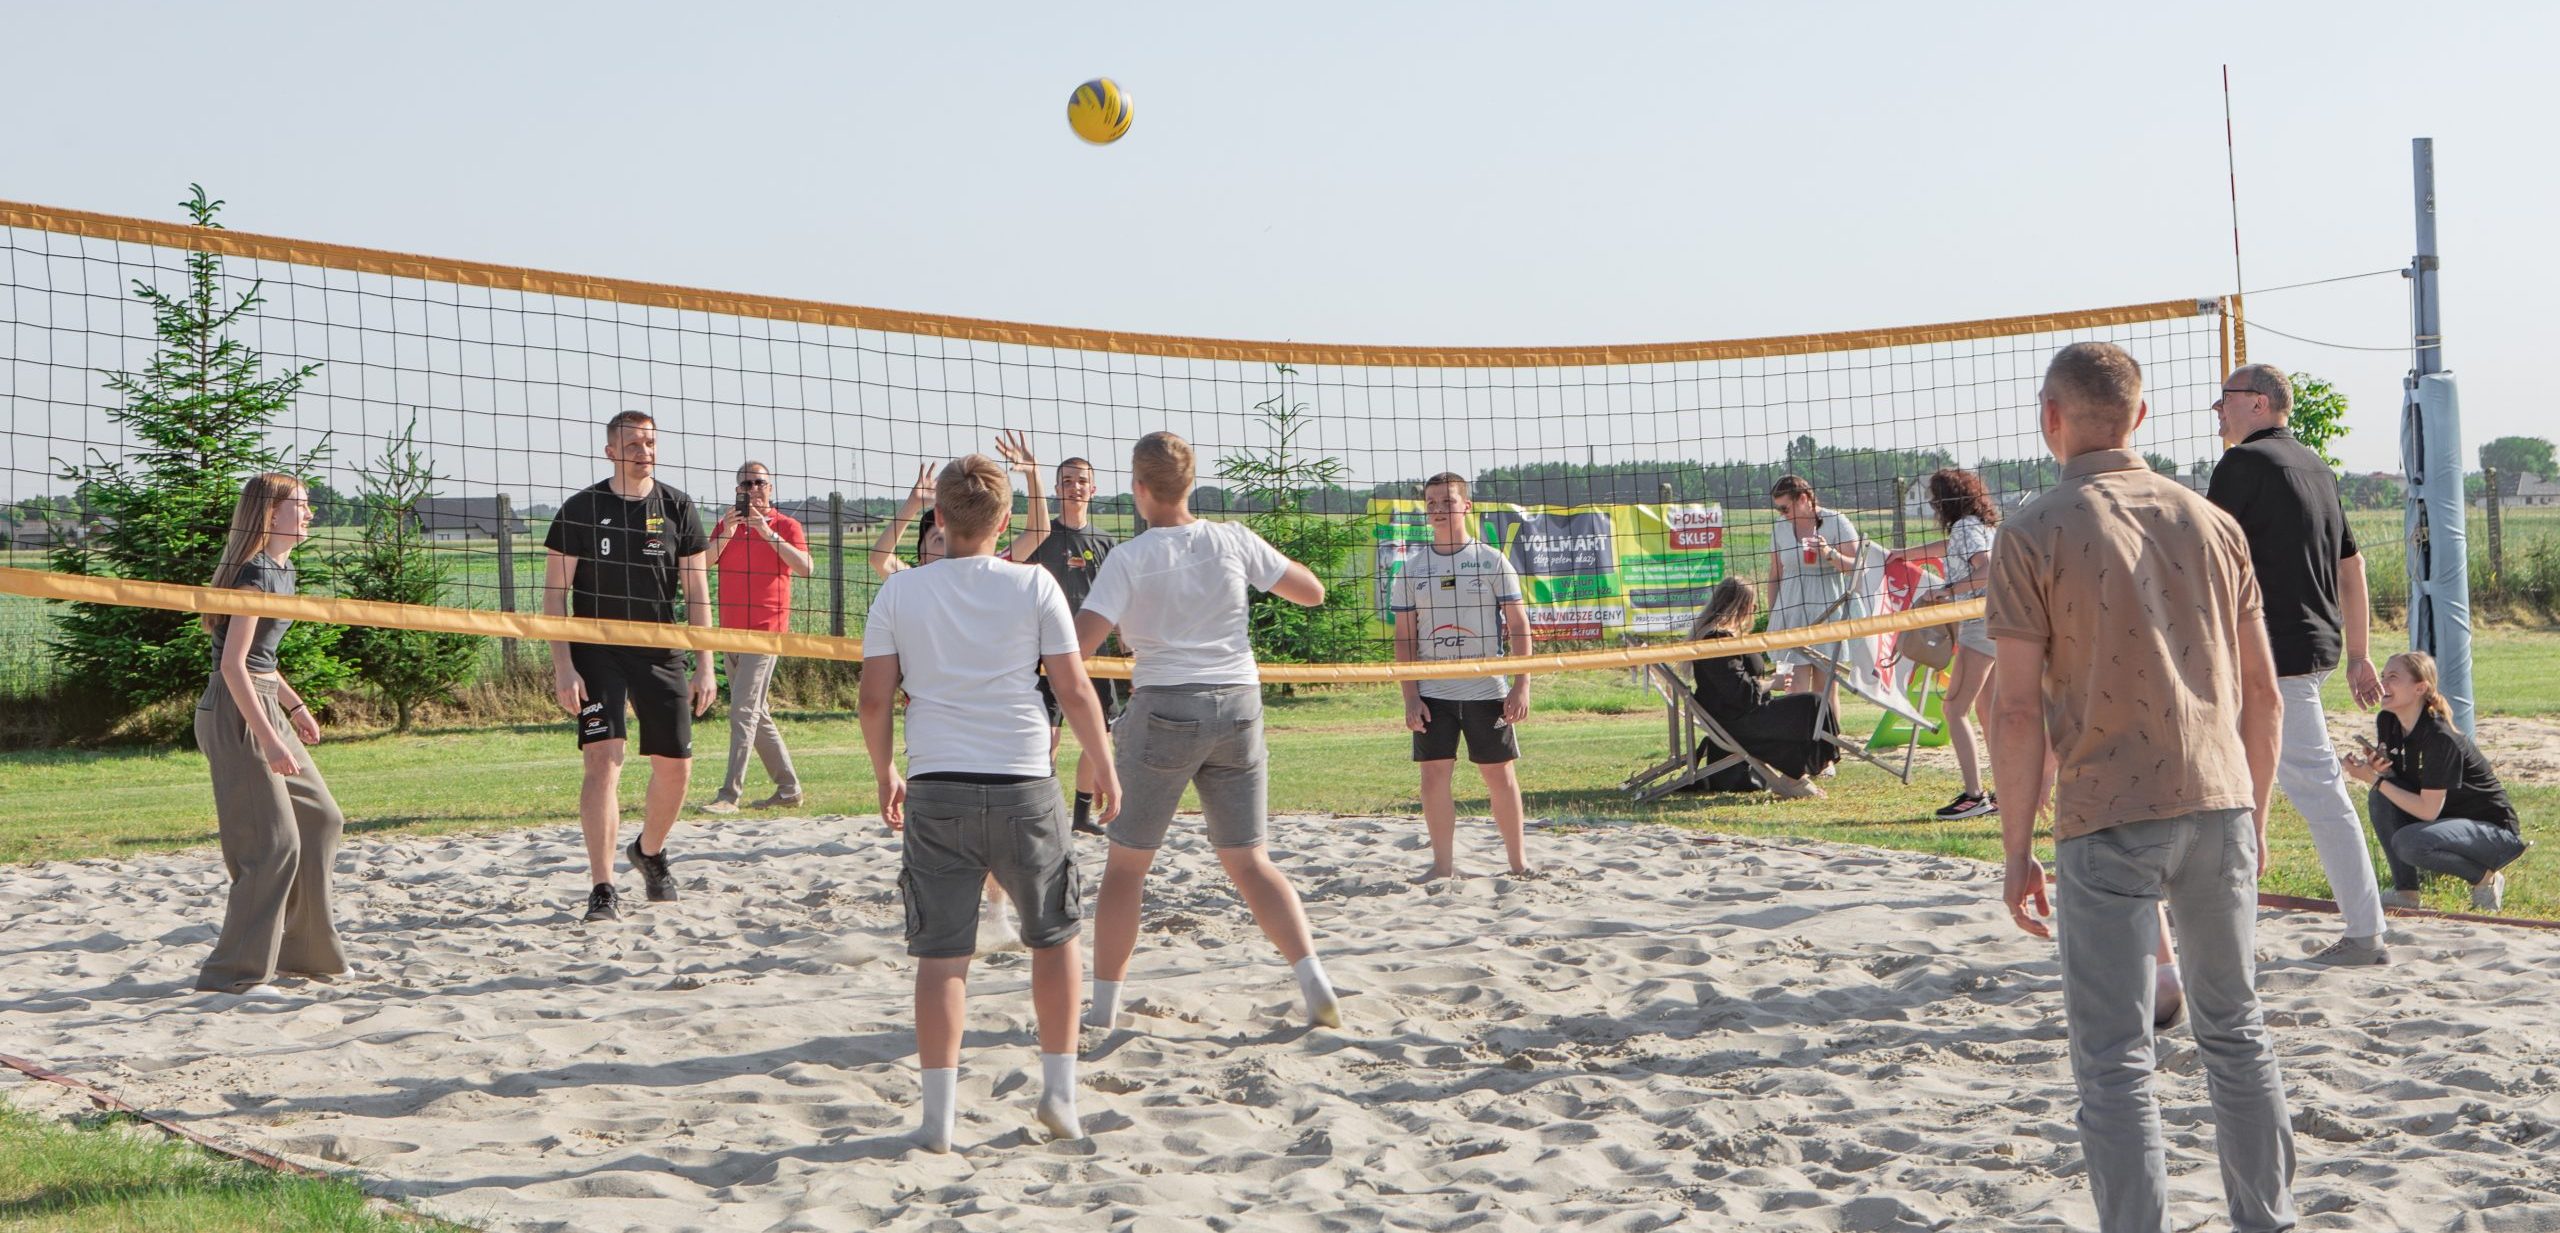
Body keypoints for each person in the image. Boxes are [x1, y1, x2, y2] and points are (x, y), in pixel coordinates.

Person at [1989, 341, 2295, 1233]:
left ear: (2049, 417)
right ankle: (2266, 1220)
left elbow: (2012, 714)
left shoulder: (2033, 529)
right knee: (2235, 1032)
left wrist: (2014, 851)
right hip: (2218, 796)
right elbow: (2264, 695)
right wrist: (2256, 813)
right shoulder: (2211, 521)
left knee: (2117, 1057)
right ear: (2142, 418)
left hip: (2105, 808)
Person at [858, 454, 1118, 1153]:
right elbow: (1074, 688)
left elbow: (875, 697)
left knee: (942, 957)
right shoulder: (1035, 583)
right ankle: (1060, 1093)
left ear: (938, 517)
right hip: (1023, 782)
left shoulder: (900, 593)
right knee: (1055, 938)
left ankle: (938, 1119)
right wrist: (1104, 765)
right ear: (1005, 522)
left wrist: (885, 771)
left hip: (937, 781)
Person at [1075, 430, 1342, 1030]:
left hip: (1166, 708)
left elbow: (1079, 643)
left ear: (1139, 489)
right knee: (1250, 861)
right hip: (1238, 706)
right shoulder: (1231, 540)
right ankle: (1313, 977)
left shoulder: (1130, 558)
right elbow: (1312, 592)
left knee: (1126, 867)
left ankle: (1104, 1009)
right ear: (1191, 484)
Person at [2207, 361, 2390, 966]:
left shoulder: (2243, 466)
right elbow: (2352, 568)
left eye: (2225, 399)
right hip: (2308, 651)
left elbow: (2206, 559)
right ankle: (2229, 932)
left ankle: (2365, 933)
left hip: (2270, 658)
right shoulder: (2317, 467)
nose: (2218, 410)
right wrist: (2360, 655)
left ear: (2258, 403)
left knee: (2307, 793)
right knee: (2238, 792)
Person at [543, 410, 716, 923]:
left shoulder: (678, 507)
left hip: (661, 648)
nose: (645, 451)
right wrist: (563, 668)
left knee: (677, 768)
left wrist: (706, 663)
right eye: (635, 444)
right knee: (603, 760)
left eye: (651, 442)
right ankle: (603, 887)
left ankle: (649, 850)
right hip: (596, 647)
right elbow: (554, 599)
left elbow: (698, 593)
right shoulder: (580, 508)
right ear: (611, 451)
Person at [193, 473, 349, 994]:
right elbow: (234, 666)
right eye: (301, 506)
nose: (310, 514)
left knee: (322, 820)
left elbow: (262, 661)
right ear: (269, 514)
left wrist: (295, 706)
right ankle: (233, 973)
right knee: (273, 845)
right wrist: (270, 736)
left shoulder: (284, 569)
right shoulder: (254, 575)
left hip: (261, 700)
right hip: (235, 709)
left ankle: (306, 955)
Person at [1391, 472, 1536, 879]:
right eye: (1431, 503)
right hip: (1433, 692)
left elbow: (1519, 625)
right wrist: (1410, 696)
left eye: (1447, 501)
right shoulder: (1412, 568)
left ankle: (1518, 863)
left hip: (1486, 688)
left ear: (1465, 506)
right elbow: (1404, 637)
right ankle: (1442, 867)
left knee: (1499, 774)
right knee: (1434, 775)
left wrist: (1522, 683)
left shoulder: (1490, 560)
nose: (1437, 509)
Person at [2347, 651, 2527, 912]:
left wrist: (2375, 780)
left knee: (2408, 842)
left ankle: (2485, 879)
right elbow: (2405, 787)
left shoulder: (2440, 736)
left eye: (2393, 677)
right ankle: (2406, 893)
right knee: (2381, 798)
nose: (2382, 682)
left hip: (2493, 832)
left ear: (2420, 688)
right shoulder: (2388, 721)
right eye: (2383, 675)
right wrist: (2382, 773)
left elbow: (2427, 810)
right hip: (2445, 823)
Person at [1889, 468, 2002, 820]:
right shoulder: (1979, 527)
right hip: (1997, 621)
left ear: (1946, 500)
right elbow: (1951, 548)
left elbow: (1985, 569)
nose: (1933, 506)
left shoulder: (1966, 528)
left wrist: (1947, 591)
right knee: (1987, 712)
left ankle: (1975, 797)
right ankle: (2005, 791)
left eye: (1935, 500)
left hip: (1979, 624)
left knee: (1954, 708)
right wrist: (1905, 553)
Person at [699, 460, 811, 815]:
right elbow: (700, 566)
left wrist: (767, 532)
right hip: (731, 631)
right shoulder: (726, 526)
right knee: (756, 713)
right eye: (745, 485)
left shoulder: (785, 525)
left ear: (770, 488)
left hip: (765, 634)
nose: (753, 490)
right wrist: (726, 534)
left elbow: (806, 568)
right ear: (737, 491)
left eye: (759, 483)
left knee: (742, 711)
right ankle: (789, 789)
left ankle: (729, 795)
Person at [1020, 454, 1124, 837]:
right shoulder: (1043, 537)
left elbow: (1120, 600)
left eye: (1081, 481)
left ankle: (1081, 815)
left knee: (1099, 733)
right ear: (1057, 488)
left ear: (1093, 489)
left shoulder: (1107, 543)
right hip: (1046, 652)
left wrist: (1129, 648)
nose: (1075, 487)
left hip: (1096, 654)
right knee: (1047, 733)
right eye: (1067, 481)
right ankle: (1041, 807)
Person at [1682, 578, 1835, 793]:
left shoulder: (1725, 637)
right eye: (1752, 606)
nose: (1753, 611)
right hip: (1737, 720)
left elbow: (1739, 681)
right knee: (1812, 703)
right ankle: (1794, 777)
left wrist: (1770, 681)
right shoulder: (1716, 640)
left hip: (1741, 712)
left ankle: (1799, 772)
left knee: (1813, 703)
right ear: (1740, 605)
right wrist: (1773, 682)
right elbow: (1740, 692)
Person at [1763, 475, 1866, 712]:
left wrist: (1830, 554)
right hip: (1790, 611)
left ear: (1803, 499)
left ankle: (1829, 747)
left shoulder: (1835, 521)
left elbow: (1860, 566)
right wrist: (1774, 615)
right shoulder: (1780, 527)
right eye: (1777, 508)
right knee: (1792, 688)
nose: (1781, 513)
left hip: (1828, 609)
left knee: (1826, 689)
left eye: (1784, 507)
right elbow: (1774, 575)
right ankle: (1798, 746)